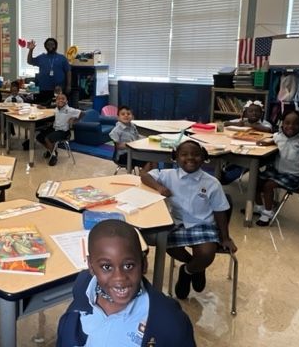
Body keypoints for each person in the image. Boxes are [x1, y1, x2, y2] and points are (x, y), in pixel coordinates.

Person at [56, 219, 196, 347]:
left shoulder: (170, 321)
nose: (119, 278)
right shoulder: (83, 291)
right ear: (91, 267)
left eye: (128, 266)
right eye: (107, 267)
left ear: (144, 264)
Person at [140, 140, 236, 300]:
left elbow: (220, 212)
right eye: (184, 154)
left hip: (203, 224)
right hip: (177, 223)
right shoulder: (167, 175)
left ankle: (187, 271)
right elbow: (144, 176)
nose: (190, 158)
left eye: (196, 154)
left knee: (206, 254)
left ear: (204, 157)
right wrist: (159, 188)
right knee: (165, 243)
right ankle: (196, 267)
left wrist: (225, 238)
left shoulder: (212, 183)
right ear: (175, 158)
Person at [254, 109, 299, 226]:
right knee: (254, 180)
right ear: (282, 124)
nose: (291, 126)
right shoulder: (279, 136)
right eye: (287, 123)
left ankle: (267, 213)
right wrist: (266, 143)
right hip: (277, 172)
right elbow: (274, 140)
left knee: (268, 185)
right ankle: (259, 207)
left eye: (295, 123)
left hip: (295, 176)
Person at [36, 93, 83, 166]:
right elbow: (50, 110)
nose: (60, 100)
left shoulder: (69, 110)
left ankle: (54, 156)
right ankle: (51, 150)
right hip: (55, 129)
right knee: (39, 137)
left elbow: (83, 113)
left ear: (66, 101)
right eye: (58, 99)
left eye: (63, 99)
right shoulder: (56, 109)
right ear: (56, 101)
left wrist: (74, 121)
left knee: (47, 139)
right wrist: (42, 108)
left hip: (64, 132)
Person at [27, 37, 71, 106]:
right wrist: (31, 50)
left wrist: (68, 85)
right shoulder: (41, 57)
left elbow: (68, 72)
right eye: (48, 45)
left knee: (57, 110)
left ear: (56, 46)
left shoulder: (62, 58)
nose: (50, 46)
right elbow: (30, 61)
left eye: (52, 44)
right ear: (45, 46)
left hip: (58, 90)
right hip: (43, 89)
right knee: (42, 110)